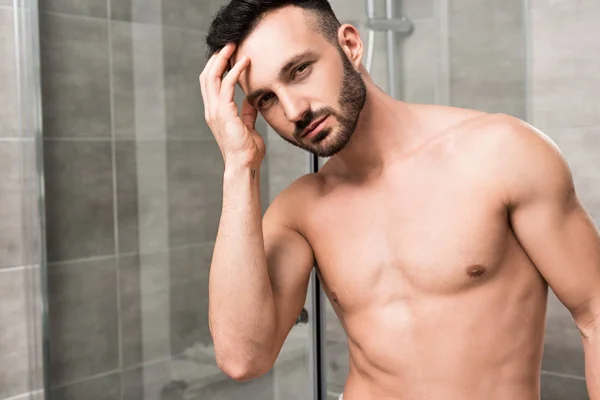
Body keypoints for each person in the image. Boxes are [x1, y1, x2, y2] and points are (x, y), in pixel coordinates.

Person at [200, 1, 600, 399]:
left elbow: (594, 313)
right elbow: (243, 359)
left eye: (300, 70)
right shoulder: (300, 210)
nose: (294, 110)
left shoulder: (501, 153)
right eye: (266, 98)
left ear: (351, 45)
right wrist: (239, 165)